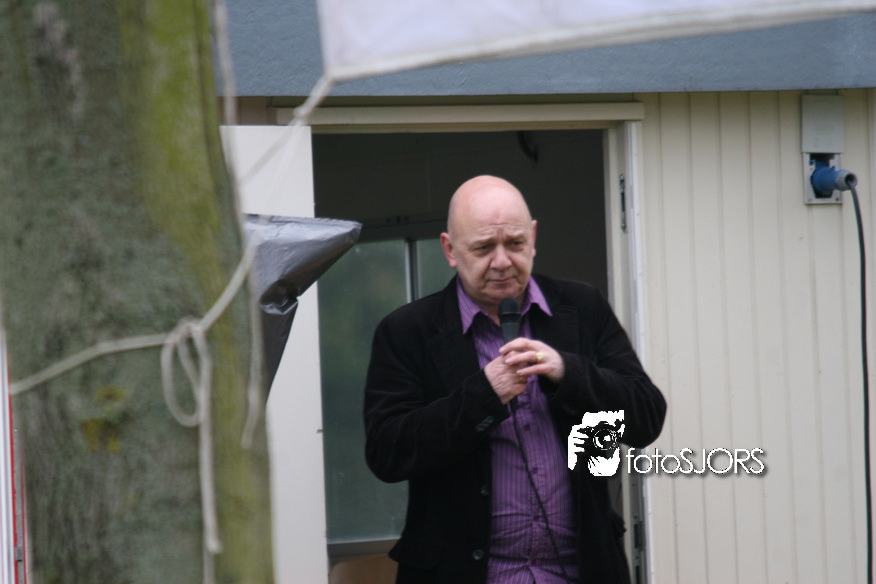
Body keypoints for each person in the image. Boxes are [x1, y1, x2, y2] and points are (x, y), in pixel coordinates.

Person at [364, 175, 666, 584]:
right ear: (450, 250)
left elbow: (646, 417)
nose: (503, 261)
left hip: (581, 570)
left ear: (534, 238)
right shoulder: (407, 331)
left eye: (515, 243)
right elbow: (387, 453)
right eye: (484, 247)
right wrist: (483, 396)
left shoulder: (582, 307)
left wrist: (568, 371)